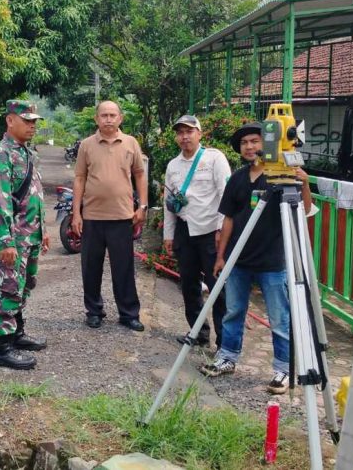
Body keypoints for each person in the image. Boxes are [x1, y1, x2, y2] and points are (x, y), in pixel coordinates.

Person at [200, 122, 314, 396]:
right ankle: (227, 357)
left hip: (273, 262)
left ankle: (282, 369)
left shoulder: (283, 176)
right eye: (245, 143)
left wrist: (304, 181)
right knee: (233, 312)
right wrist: (221, 255)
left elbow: (306, 210)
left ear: (269, 143)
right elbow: (227, 218)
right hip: (240, 259)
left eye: (255, 141)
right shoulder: (238, 179)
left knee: (279, 318)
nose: (250, 147)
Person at [72, 100, 148, 332]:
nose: (108, 119)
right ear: (96, 119)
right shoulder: (86, 145)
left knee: (123, 268)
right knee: (91, 267)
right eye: (103, 115)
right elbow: (79, 178)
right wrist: (76, 213)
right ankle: (94, 311)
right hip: (93, 217)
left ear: (120, 118)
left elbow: (139, 175)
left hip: (122, 217)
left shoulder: (130, 143)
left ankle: (128, 314)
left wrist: (142, 206)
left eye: (112, 115)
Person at [0, 100, 50, 370]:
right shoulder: (0, 154)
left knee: (23, 286)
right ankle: (2, 348)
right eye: (27, 120)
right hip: (13, 240)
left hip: (30, 236)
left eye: (34, 121)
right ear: (10, 120)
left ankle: (17, 334)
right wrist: (5, 242)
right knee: (7, 288)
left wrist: (43, 232)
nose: (32, 125)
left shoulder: (26, 153)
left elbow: (34, 195)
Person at [163, 115, 231, 348]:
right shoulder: (173, 165)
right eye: (180, 132)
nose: (184, 136)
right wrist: (168, 236)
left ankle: (224, 342)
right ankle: (198, 332)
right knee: (189, 285)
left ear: (199, 134)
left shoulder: (214, 158)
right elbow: (169, 203)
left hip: (211, 232)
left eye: (189, 131)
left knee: (218, 288)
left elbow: (225, 195)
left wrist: (222, 229)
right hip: (184, 232)